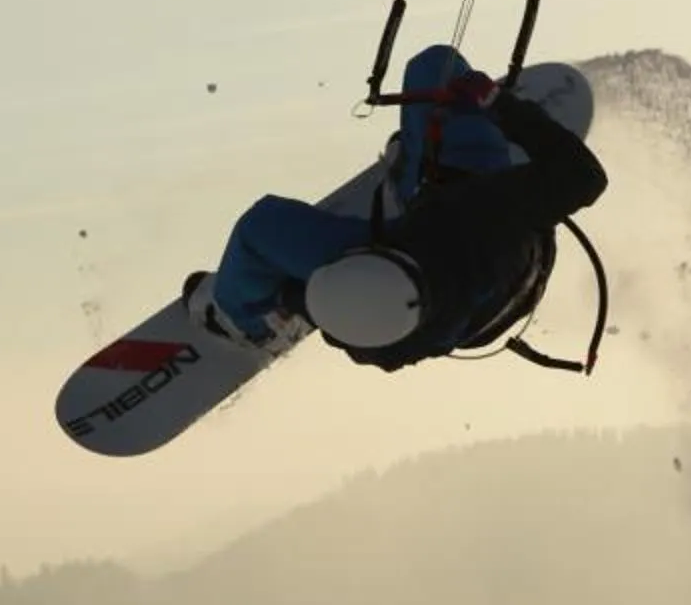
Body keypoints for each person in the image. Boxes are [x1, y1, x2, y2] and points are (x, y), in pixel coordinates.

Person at [185, 44, 607, 369]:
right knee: (436, 65)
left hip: (445, 251)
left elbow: (317, 302)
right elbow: (586, 177)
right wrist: (499, 104)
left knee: (260, 229)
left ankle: (247, 323)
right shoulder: (492, 212)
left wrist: (288, 298)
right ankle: (416, 173)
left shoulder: (373, 339)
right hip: (492, 241)